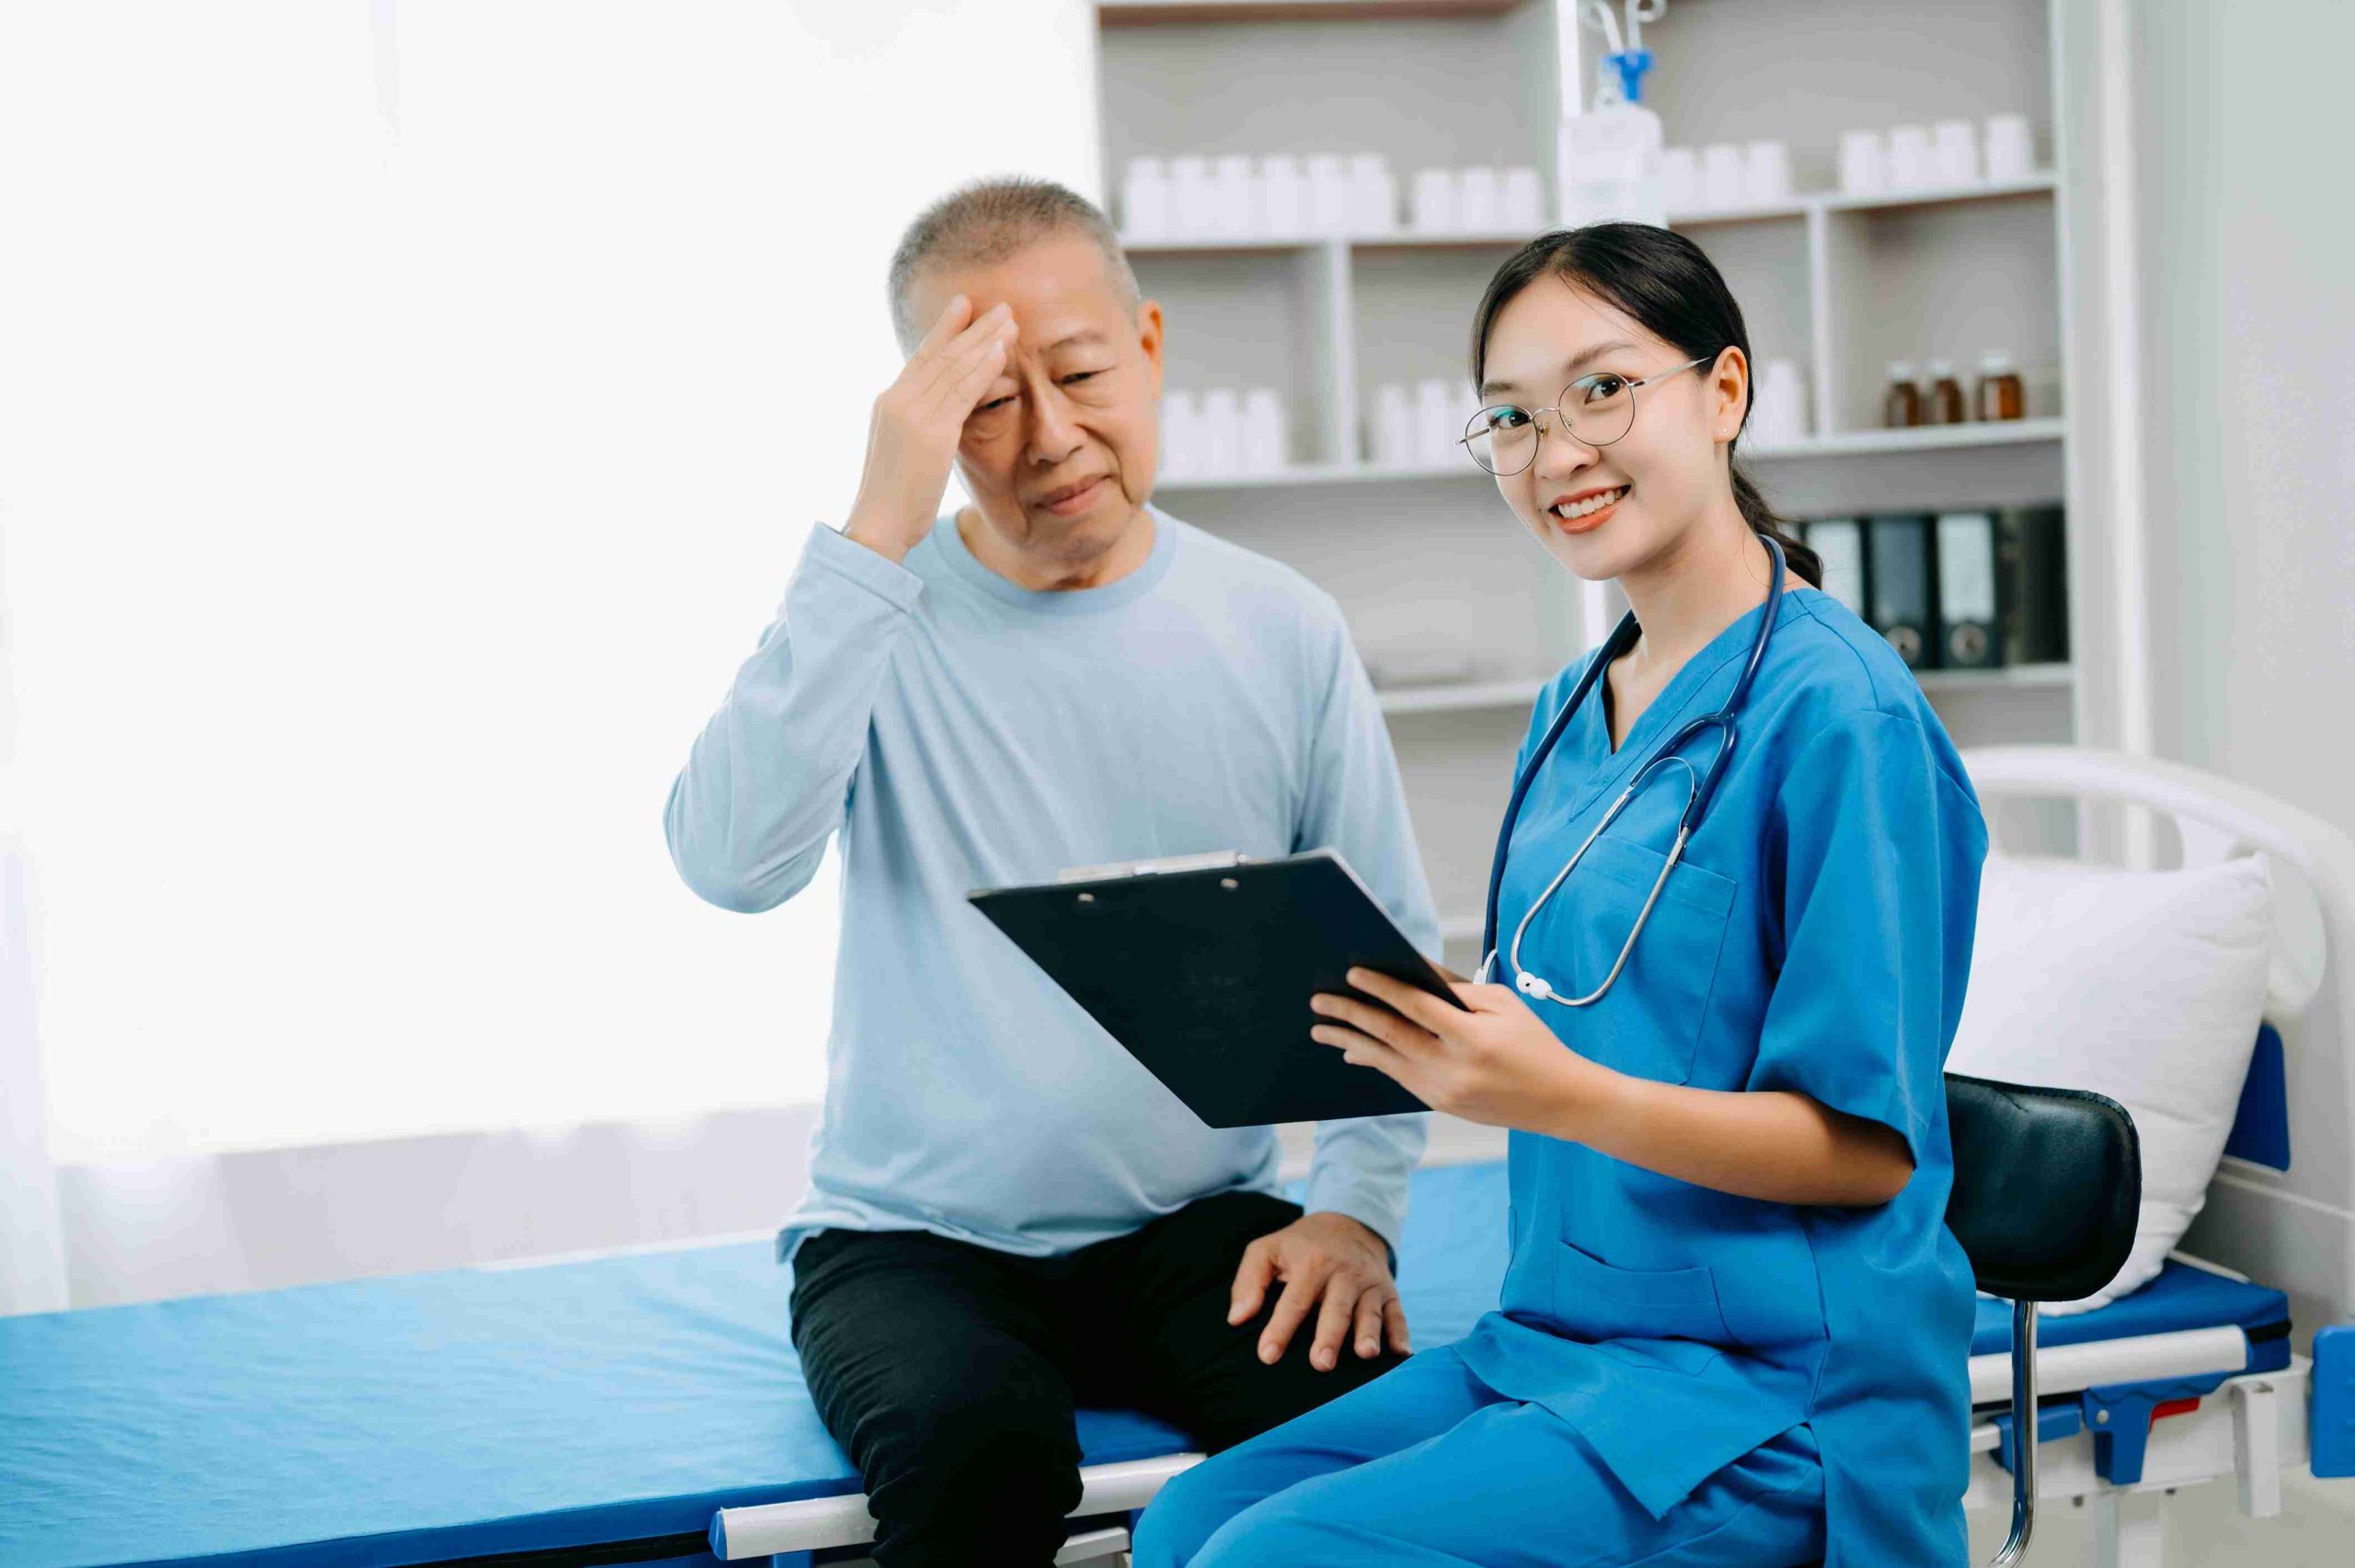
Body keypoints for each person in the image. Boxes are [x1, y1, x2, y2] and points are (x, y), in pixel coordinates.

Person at [1135, 223, 1987, 1567]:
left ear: (1725, 392)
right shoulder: (1569, 708)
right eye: (1512, 418)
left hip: (1764, 1390)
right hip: (1563, 1338)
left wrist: (1547, 1089)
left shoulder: (1844, 715)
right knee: (1187, 1519)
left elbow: (1867, 1147)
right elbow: (1574, 1004)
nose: (1558, 453)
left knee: (1265, 1560)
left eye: (1603, 389)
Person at [661, 177, 1438, 1566]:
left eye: (1079, 374)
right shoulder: (872, 613)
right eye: (984, 404)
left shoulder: (1281, 626)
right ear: (924, 420)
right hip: (911, 1242)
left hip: (1196, 1226)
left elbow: (1393, 978)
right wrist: (873, 529)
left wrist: (1353, 1214)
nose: (1051, 437)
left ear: (1148, 345)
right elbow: (727, 862)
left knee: (1380, 1454)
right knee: (979, 1470)